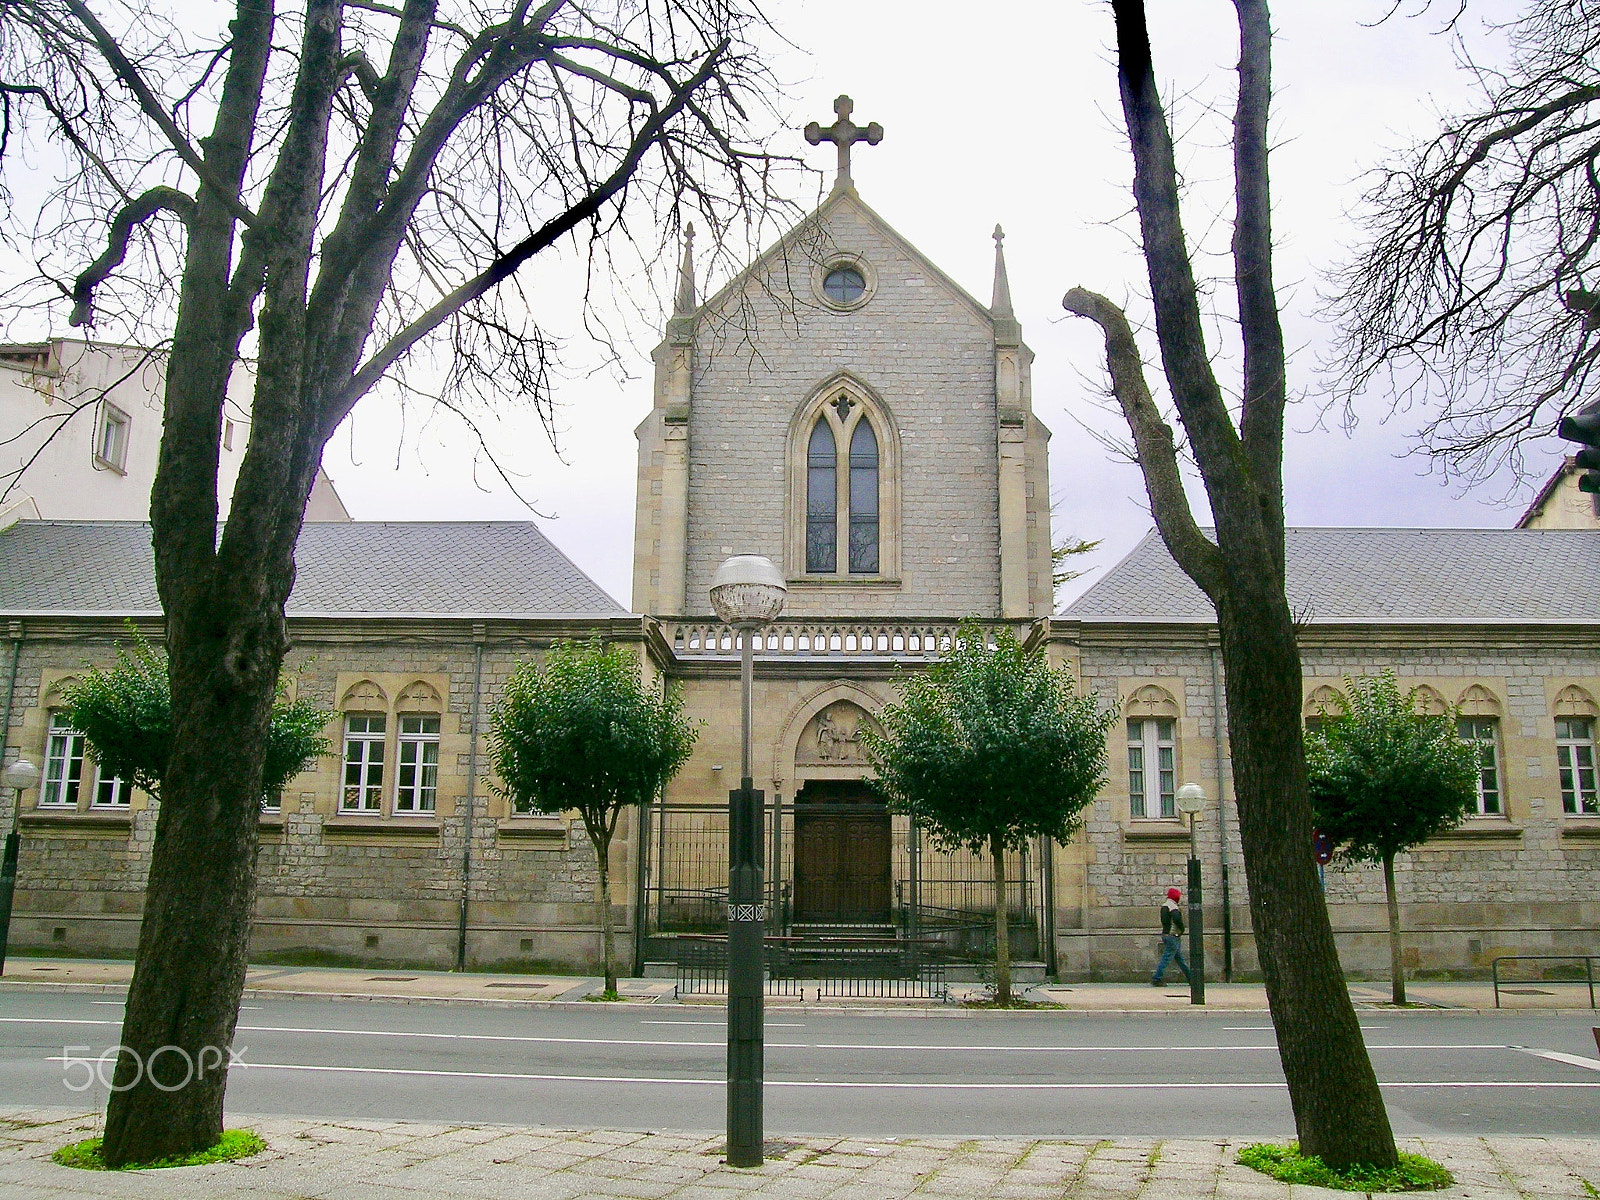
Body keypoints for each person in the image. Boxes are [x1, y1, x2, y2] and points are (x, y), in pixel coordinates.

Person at [1151, 886, 1191, 986]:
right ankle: (1156, 978)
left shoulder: (1164, 906)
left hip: (1166, 934)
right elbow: (1177, 919)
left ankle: (1191, 978)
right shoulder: (1173, 907)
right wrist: (1182, 929)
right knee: (1166, 958)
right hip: (1173, 936)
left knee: (1179, 958)